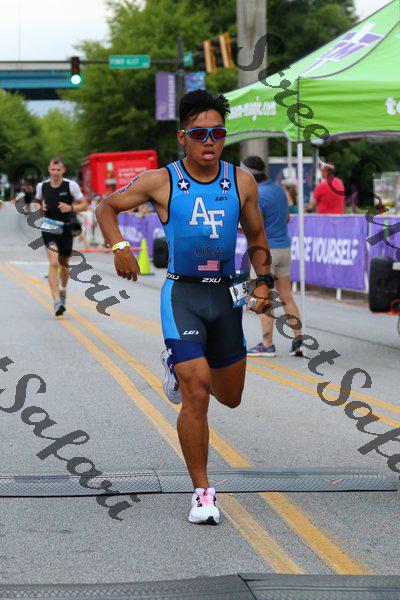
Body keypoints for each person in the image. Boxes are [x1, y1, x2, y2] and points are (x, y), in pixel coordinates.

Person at [96, 89, 273, 525]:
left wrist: (265, 284)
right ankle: (202, 493)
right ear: (183, 137)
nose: (209, 141)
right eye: (199, 134)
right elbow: (106, 207)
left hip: (227, 294)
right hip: (183, 295)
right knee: (196, 391)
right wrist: (119, 246)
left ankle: (178, 365)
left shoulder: (242, 181)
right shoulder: (161, 181)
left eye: (217, 133)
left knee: (230, 397)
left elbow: (256, 237)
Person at [243, 156, 303, 358]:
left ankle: (267, 344)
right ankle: (298, 342)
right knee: (286, 296)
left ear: (249, 174)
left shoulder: (258, 194)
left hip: (265, 251)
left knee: (263, 297)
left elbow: (256, 228)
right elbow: (286, 218)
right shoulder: (278, 189)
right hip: (284, 247)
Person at [36, 157, 87, 316]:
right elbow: (37, 203)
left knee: (64, 264)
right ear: (49, 169)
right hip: (49, 226)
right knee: (53, 262)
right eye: (53, 169)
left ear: (63, 170)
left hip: (66, 228)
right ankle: (56, 300)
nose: (55, 172)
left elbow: (84, 205)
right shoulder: (42, 186)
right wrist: (41, 207)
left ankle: (63, 289)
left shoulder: (71, 185)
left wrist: (70, 207)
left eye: (58, 170)